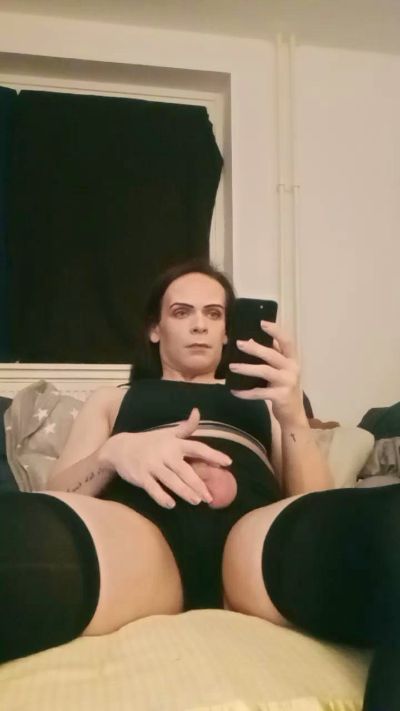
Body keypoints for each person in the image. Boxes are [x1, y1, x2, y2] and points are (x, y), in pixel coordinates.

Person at [1, 258, 399, 710]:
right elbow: (58, 497)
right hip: (136, 547)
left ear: (228, 332)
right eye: (181, 312)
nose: (199, 325)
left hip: (249, 547)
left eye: (213, 313)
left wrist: (292, 416)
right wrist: (112, 453)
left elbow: (314, 504)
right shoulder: (113, 398)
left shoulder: (262, 400)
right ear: (155, 329)